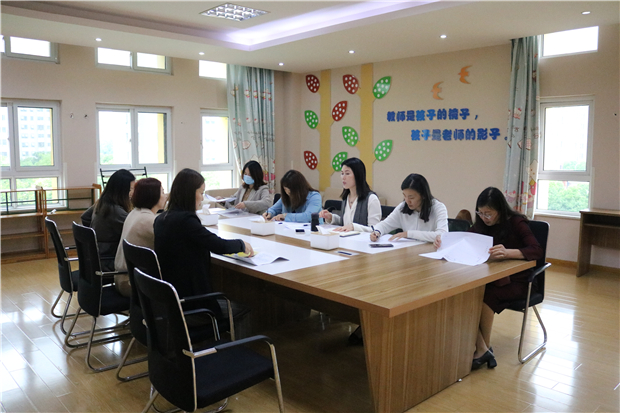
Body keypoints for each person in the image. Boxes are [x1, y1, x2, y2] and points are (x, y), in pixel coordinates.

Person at [435, 187, 543, 370]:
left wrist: (509, 253)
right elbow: (465, 240)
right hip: (494, 277)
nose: (484, 217)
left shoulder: (516, 223)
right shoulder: (481, 224)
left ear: (500, 210)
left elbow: (536, 250)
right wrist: (442, 242)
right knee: (466, 294)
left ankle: (481, 349)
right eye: (481, 213)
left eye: (488, 213)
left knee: (485, 296)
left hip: (521, 280)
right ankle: (483, 348)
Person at [154, 168, 253, 315]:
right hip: (193, 302)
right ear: (190, 193)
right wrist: (241, 244)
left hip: (172, 298)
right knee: (249, 309)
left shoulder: (161, 219)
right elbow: (218, 245)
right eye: (201, 193)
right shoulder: (186, 221)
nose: (202, 198)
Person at [113, 178, 167, 296]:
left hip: (123, 277)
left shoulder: (135, 212)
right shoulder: (148, 220)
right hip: (132, 283)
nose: (166, 196)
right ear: (153, 196)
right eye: (162, 192)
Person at [365, 173, 448, 243]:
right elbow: (385, 225)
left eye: (411, 197)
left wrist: (408, 234)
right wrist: (377, 232)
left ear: (423, 196)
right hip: (409, 251)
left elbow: (443, 235)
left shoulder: (438, 208)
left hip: (430, 252)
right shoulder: (403, 207)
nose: (407, 201)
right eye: (404, 196)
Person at [81, 169, 136, 272]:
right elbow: (134, 229)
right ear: (122, 191)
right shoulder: (116, 211)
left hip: (97, 258)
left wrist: (93, 236)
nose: (133, 193)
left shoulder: (102, 203)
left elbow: (85, 217)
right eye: (131, 189)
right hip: (108, 261)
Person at [319, 157, 381, 231]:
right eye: (342, 173)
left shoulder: (371, 199)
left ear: (358, 175)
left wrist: (354, 227)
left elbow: (375, 229)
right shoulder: (346, 197)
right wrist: (331, 217)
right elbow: (346, 223)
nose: (343, 177)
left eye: (347, 173)